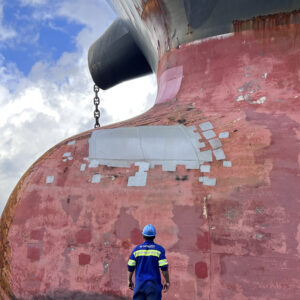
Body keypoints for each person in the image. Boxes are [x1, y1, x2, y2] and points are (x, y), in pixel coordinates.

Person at [127, 224, 170, 300]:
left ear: (143, 235)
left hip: (139, 285)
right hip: (154, 286)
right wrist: (167, 281)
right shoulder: (159, 249)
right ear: (154, 236)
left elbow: (130, 266)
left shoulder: (136, 249)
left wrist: (129, 280)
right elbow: (164, 268)